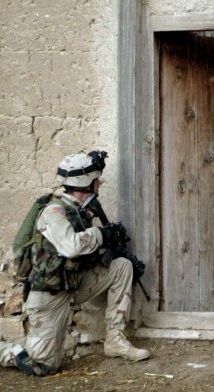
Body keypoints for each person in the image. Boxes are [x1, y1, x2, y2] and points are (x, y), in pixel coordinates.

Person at [0, 151, 151, 376]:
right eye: (96, 180)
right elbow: (70, 246)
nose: (99, 183)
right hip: (49, 296)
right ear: (85, 183)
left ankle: (115, 341)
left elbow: (81, 254)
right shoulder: (54, 211)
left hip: (73, 283)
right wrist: (101, 234)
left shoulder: (79, 212)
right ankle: (7, 350)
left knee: (121, 267)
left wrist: (110, 243)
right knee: (43, 366)